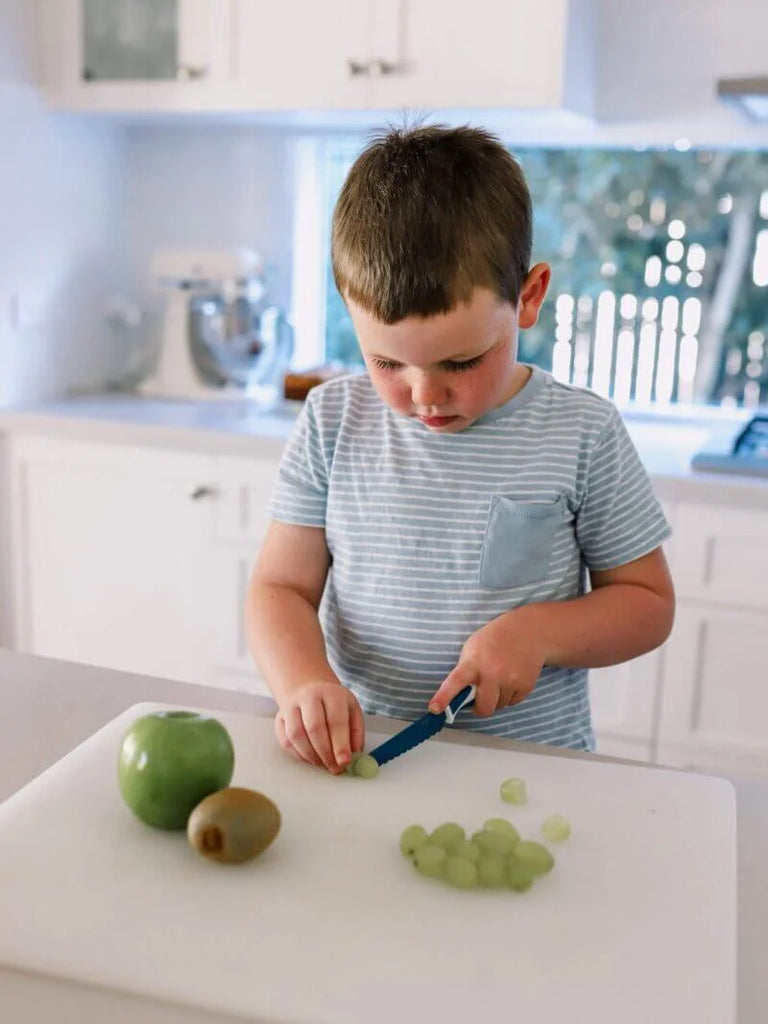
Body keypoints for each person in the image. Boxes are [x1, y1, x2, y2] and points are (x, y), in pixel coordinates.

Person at [244, 123, 675, 775]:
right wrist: (303, 681)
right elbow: (279, 588)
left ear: (528, 298)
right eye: (387, 362)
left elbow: (648, 604)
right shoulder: (332, 419)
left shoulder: (582, 432)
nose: (425, 395)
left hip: (533, 771)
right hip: (369, 760)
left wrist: (538, 632)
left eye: (462, 360)